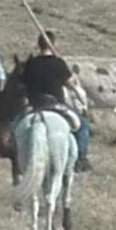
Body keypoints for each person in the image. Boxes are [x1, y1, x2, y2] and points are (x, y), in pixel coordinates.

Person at [20, 31, 92, 173]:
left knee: (14, 126)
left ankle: (16, 155)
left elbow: (22, 85)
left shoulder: (31, 63)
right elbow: (73, 86)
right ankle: (81, 159)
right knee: (83, 126)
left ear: (39, 45)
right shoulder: (59, 63)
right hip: (54, 105)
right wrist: (83, 104)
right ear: (54, 45)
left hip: (34, 105)